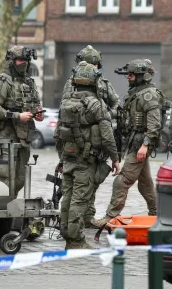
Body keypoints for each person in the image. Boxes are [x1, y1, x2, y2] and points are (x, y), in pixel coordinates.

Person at [92, 59, 166, 228]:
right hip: (135, 143)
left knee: (122, 181)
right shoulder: (136, 93)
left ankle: (110, 216)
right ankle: (158, 214)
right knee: (145, 184)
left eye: (131, 75)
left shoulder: (149, 94)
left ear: (142, 76)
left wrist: (146, 145)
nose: (128, 78)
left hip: (140, 145)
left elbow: (154, 124)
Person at [54, 61, 120, 249]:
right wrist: (115, 158)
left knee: (67, 197)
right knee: (80, 199)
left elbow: (58, 133)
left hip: (68, 157)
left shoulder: (66, 102)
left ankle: (67, 235)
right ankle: (76, 241)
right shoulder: (96, 105)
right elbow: (107, 136)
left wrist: (62, 157)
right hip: (86, 160)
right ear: (93, 82)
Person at [0, 45, 44, 196]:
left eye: (26, 60)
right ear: (11, 61)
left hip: (24, 138)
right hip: (5, 137)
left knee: (20, 178)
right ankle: (1, 210)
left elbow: (36, 103)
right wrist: (17, 116)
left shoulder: (29, 83)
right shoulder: (3, 81)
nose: (23, 63)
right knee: (5, 178)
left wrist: (38, 112)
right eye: (20, 60)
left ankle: (11, 205)